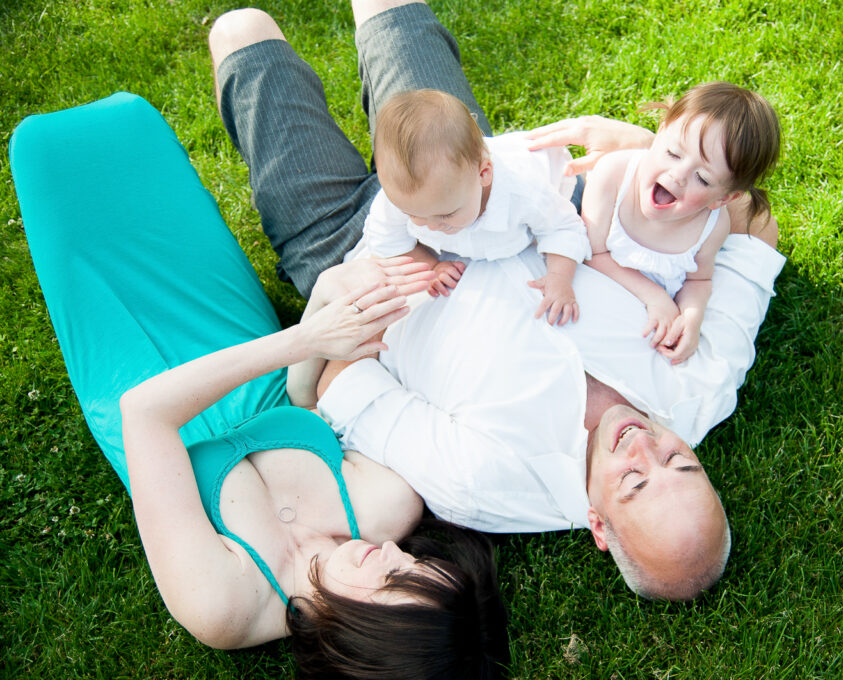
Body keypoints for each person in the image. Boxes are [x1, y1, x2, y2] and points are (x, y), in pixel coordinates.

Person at [209, 1, 785, 600]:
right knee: (387, 8)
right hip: (474, 178)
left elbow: (338, 383)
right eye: (681, 463)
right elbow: (751, 220)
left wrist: (390, 281)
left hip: (352, 249)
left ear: (599, 528)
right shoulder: (705, 381)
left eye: (636, 481)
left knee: (241, 31)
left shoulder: (488, 485)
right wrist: (644, 151)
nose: (644, 445)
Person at [12, 47, 508, 680]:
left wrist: (300, 342)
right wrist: (328, 325)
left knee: (45, 154)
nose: (391, 553)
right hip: (234, 338)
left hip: (136, 377)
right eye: (411, 564)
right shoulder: (388, 506)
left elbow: (147, 415)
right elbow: (302, 404)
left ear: (367, 643)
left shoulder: (226, 607)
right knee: (125, 132)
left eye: (393, 580)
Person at [580, 82, 780, 363]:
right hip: (594, 292)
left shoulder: (712, 226)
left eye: (704, 178)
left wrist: (692, 317)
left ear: (723, 198)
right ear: (660, 132)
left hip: (647, 325)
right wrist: (656, 297)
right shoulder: (613, 175)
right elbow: (592, 253)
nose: (678, 175)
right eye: (673, 153)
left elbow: (698, 280)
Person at [364, 89, 590, 324]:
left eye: (446, 214)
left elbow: (563, 227)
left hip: (561, 184)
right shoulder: (407, 199)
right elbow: (386, 241)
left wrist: (559, 277)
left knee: (582, 219)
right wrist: (431, 265)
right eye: (412, 215)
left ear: (484, 174)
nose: (429, 226)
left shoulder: (524, 191)